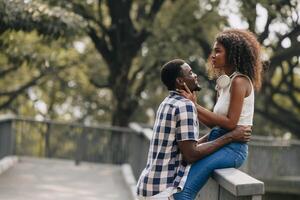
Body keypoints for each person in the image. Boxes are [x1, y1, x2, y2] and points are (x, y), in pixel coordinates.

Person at [136, 58, 251, 200]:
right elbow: (191, 154)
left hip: (147, 186)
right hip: (162, 191)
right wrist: (231, 136)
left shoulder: (167, 103)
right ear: (180, 81)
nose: (195, 75)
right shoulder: (185, 106)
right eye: (190, 73)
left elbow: (182, 144)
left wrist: (210, 136)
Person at [173, 29, 263, 199]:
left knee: (183, 193)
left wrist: (195, 105)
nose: (213, 55)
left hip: (233, 148)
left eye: (218, 51)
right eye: (213, 50)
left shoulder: (240, 81)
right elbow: (216, 124)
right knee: (178, 184)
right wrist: (194, 107)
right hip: (218, 139)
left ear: (232, 54)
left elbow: (230, 123)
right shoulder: (224, 83)